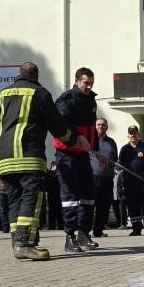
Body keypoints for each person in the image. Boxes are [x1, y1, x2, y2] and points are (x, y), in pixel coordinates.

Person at [0, 62, 87, 260]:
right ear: (36, 77)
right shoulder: (40, 93)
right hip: (29, 157)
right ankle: (24, 243)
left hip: (5, 159)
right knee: (31, 198)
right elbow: (57, 127)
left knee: (14, 200)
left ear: (18, 74)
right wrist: (75, 139)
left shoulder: (4, 93)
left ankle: (17, 244)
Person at [53, 67, 99, 252]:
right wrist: (77, 136)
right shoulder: (65, 100)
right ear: (77, 81)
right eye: (86, 83)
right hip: (67, 155)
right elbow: (62, 122)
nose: (89, 86)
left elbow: (92, 128)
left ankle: (83, 234)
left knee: (88, 195)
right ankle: (70, 236)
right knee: (70, 197)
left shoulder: (91, 100)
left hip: (83, 155)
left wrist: (96, 149)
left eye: (91, 83)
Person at [118, 125, 144, 236]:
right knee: (132, 205)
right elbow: (120, 164)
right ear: (128, 135)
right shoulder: (124, 149)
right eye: (131, 133)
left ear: (138, 134)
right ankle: (136, 228)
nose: (133, 135)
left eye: (134, 132)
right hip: (130, 182)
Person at [90, 118, 118, 239]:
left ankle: (98, 231)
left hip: (108, 178)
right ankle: (85, 232)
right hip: (92, 177)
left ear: (107, 127)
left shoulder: (111, 142)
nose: (101, 126)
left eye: (103, 125)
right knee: (90, 206)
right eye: (98, 124)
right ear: (95, 126)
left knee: (104, 206)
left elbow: (115, 159)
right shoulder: (89, 140)